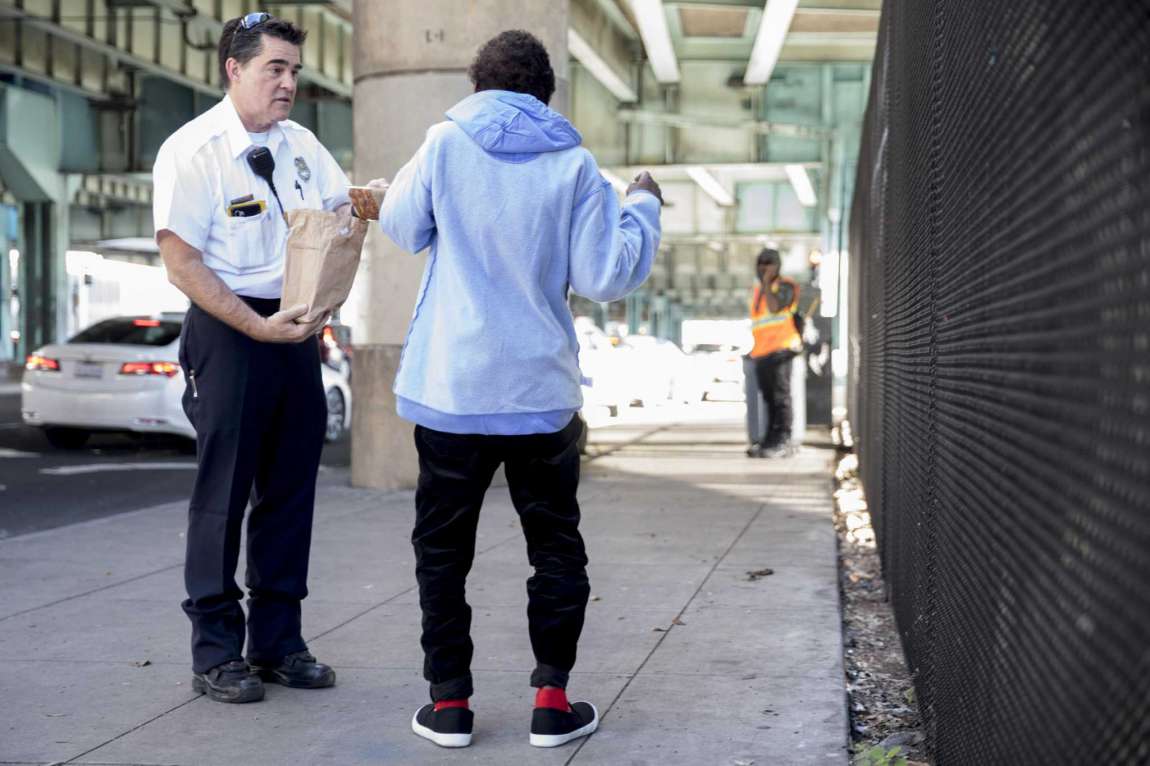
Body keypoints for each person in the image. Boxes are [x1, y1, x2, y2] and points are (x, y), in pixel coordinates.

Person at [372, 29, 662, 750]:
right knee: (555, 548)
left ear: (479, 86)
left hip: (453, 391)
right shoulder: (574, 162)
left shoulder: (443, 142)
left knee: (442, 552)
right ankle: (552, 703)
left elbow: (404, 226)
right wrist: (644, 209)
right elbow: (604, 278)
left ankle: (449, 706)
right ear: (545, 92)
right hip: (539, 394)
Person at [152, 12, 352, 703]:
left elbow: (338, 212)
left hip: (294, 329)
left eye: (294, 70)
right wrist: (254, 328)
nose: (289, 83)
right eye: (276, 68)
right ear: (234, 69)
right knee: (223, 495)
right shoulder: (194, 150)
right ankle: (216, 654)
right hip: (228, 329)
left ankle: (277, 643)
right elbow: (182, 261)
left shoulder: (300, 145)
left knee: (291, 492)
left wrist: (374, 206)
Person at [747, 248, 802, 458]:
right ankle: (770, 439)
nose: (763, 267)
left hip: (782, 349)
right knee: (769, 398)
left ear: (777, 265)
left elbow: (774, 308)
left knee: (781, 397)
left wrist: (769, 283)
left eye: (768, 263)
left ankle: (784, 440)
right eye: (761, 263)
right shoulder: (758, 290)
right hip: (762, 352)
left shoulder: (786, 285)